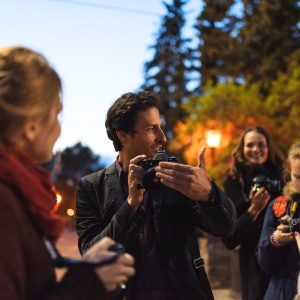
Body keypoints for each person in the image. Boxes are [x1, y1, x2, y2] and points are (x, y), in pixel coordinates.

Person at [0, 46, 135, 300]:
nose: (59, 128)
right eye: (56, 113)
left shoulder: (18, 192)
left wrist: (86, 268)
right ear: (31, 127)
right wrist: (88, 282)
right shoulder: (5, 203)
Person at [75, 91, 237, 300]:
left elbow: (225, 228)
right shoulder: (91, 187)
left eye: (160, 127)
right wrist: (131, 205)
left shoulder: (175, 175)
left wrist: (209, 195)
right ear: (123, 135)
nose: (163, 137)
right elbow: (91, 255)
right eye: (152, 129)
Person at [222, 126, 284, 300]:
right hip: (253, 263)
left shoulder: (283, 177)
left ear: (268, 147)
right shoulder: (233, 182)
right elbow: (229, 239)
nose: (256, 150)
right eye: (250, 145)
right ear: (242, 149)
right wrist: (254, 209)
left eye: (261, 145)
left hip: (283, 258)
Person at [256, 143, 300, 300]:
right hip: (282, 289)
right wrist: (276, 240)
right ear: (289, 173)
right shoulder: (279, 205)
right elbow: (265, 264)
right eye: (298, 177)